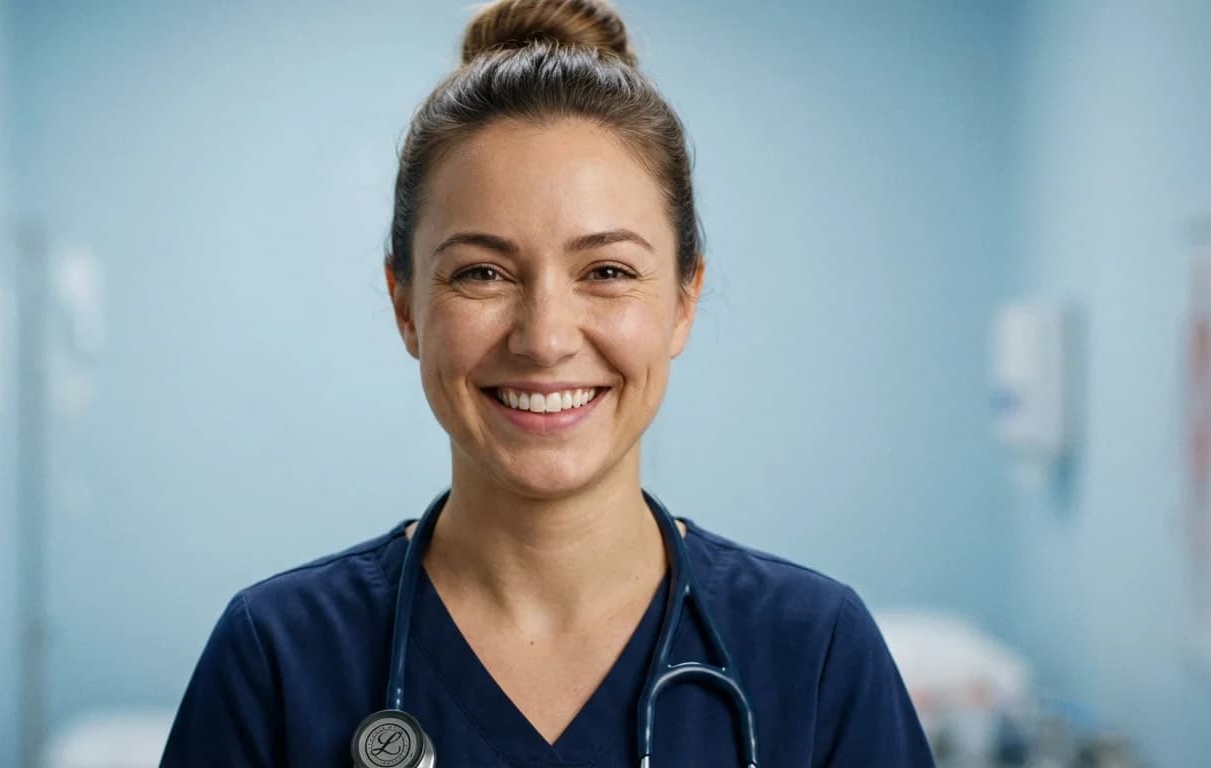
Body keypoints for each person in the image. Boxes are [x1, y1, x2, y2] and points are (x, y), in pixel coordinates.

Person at [161, 0, 934, 765]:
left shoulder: (817, 652)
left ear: (682, 303)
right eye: (483, 273)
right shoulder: (277, 659)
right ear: (406, 305)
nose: (545, 340)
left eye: (606, 271)